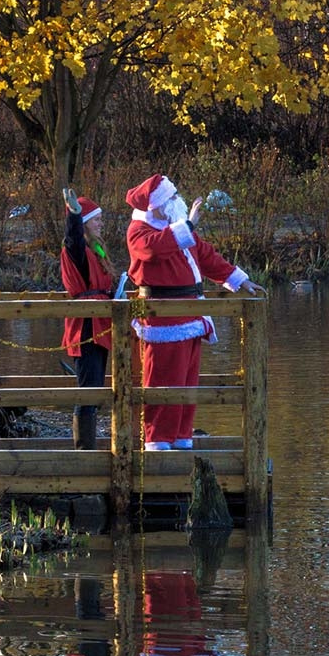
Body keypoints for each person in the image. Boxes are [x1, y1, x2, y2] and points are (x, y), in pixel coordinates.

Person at [125, 173, 265, 451]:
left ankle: (180, 437)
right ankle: (157, 441)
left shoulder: (175, 229)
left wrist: (240, 281)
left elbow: (205, 256)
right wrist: (187, 225)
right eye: (172, 197)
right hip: (164, 320)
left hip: (191, 316)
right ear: (158, 204)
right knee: (163, 382)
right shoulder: (140, 231)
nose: (178, 200)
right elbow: (153, 250)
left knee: (187, 383)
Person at [61, 188, 117, 449]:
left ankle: (86, 446)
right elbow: (72, 238)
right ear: (84, 224)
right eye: (96, 220)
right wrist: (74, 215)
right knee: (87, 389)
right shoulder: (78, 248)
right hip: (85, 325)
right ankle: (84, 450)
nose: (100, 223)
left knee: (93, 386)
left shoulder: (97, 250)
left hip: (100, 322)